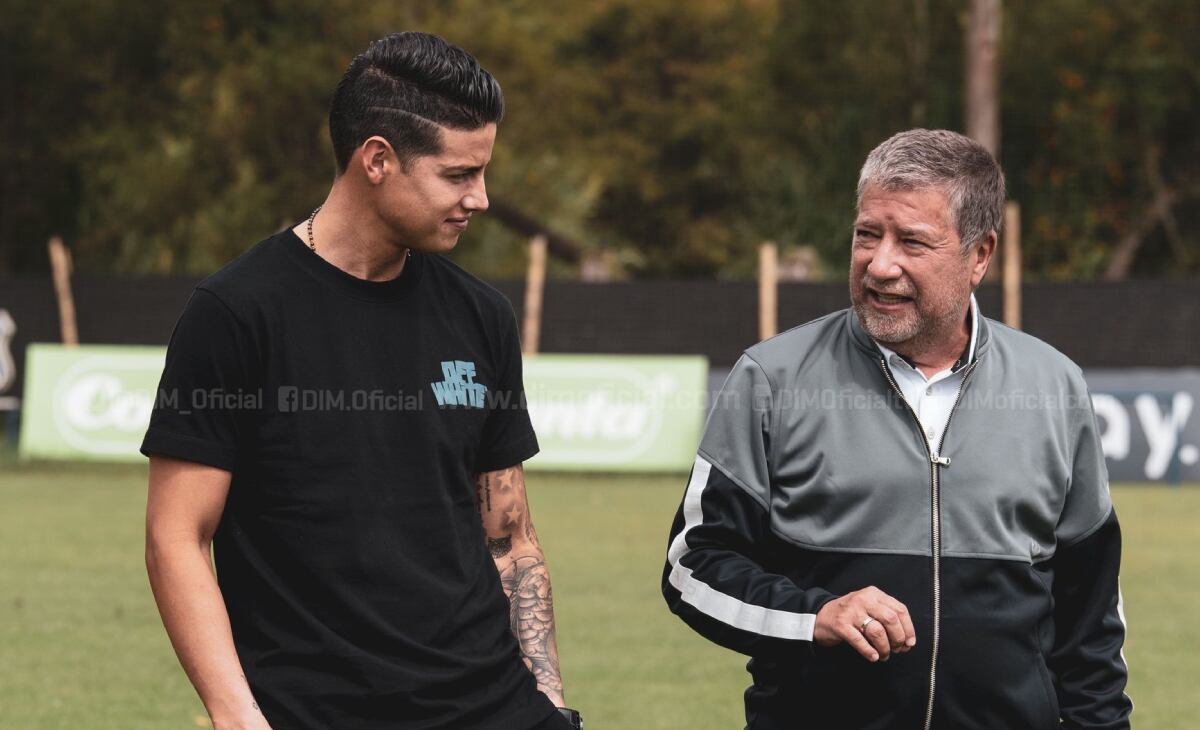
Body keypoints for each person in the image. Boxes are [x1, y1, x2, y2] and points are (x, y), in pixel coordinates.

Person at [143, 32, 581, 730]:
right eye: (458, 175)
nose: (483, 198)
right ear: (376, 159)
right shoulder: (235, 313)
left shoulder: (482, 317)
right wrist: (237, 716)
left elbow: (509, 538)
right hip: (317, 712)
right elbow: (177, 537)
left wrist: (550, 699)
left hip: (495, 705)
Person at [663, 128, 1130, 729]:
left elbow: (1090, 618)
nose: (880, 264)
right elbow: (693, 568)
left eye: (912, 241)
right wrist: (815, 616)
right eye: (866, 235)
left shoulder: (1055, 387)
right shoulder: (770, 380)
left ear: (979, 255)